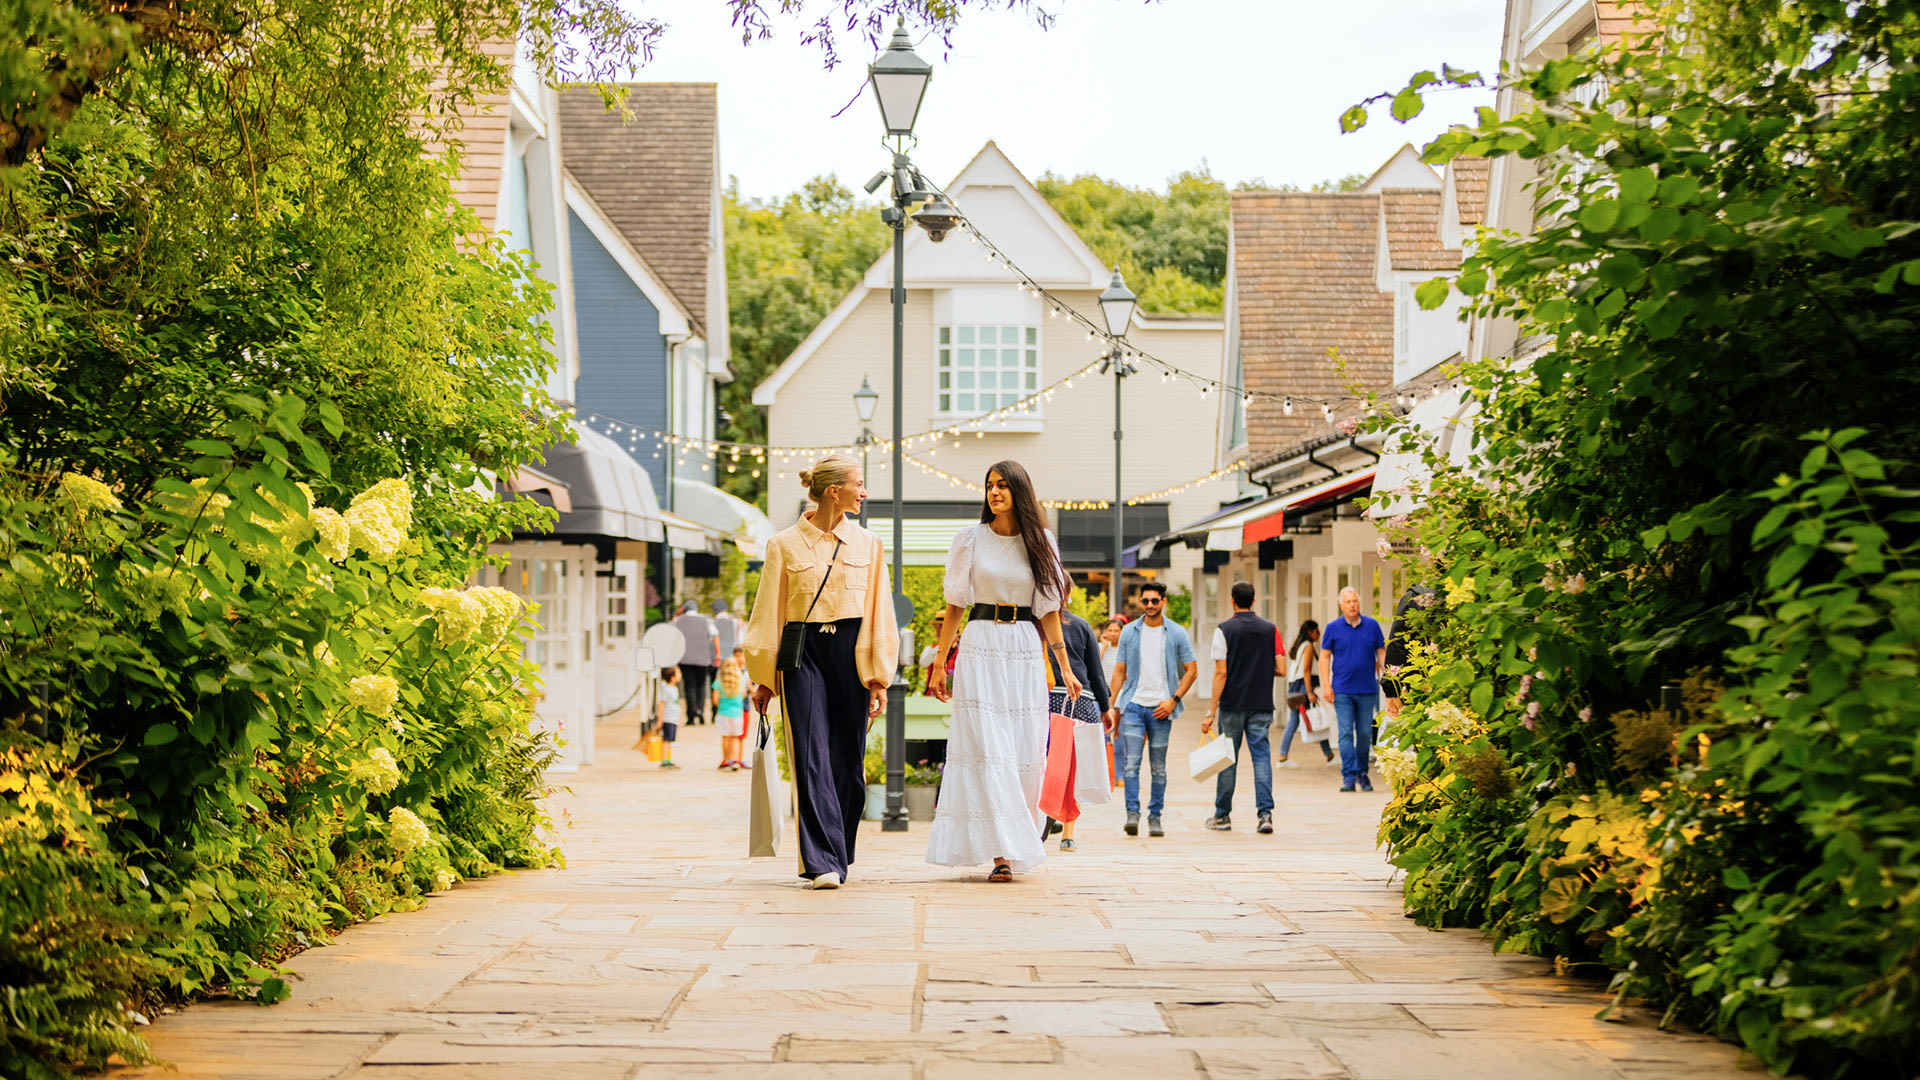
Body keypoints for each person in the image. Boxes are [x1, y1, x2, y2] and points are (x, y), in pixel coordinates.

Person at [744, 454, 899, 890]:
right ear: (835, 491)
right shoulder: (783, 544)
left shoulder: (869, 545)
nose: (864, 492)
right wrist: (764, 679)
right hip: (802, 653)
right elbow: (768, 614)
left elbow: (879, 613)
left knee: (847, 761)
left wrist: (878, 677)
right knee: (810, 755)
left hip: (852, 651)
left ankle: (837, 846)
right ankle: (821, 861)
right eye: (859, 484)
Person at [925, 460, 1082, 883]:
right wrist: (940, 664)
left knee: (1020, 749)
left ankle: (1015, 841)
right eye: (989, 486)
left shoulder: (1042, 542)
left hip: (1024, 650)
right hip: (979, 645)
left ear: (1019, 492)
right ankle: (1000, 854)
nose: (994, 493)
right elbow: (956, 603)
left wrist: (1065, 668)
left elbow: (1049, 610)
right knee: (987, 748)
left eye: (1002, 486)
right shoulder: (969, 540)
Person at [1108, 581, 1198, 838]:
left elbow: (1192, 670)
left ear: (1163, 602)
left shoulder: (1177, 633)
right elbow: (1120, 671)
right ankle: (1132, 815)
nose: (1149, 605)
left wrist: (1173, 699)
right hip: (1133, 706)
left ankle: (1155, 816)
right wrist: (1112, 705)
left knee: (1158, 768)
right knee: (1131, 765)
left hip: (1162, 709)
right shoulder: (1129, 632)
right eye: (1145, 601)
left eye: (1154, 601)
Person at [1202, 581, 1281, 834]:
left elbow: (1221, 673)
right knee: (1261, 759)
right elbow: (1280, 668)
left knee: (1227, 760)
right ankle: (1265, 815)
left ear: (1232, 600)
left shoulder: (1224, 629)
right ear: (1254, 600)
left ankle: (1222, 816)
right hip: (1261, 703)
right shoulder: (1271, 629)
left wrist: (1211, 711)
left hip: (1232, 704)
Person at [1046, 608, 1112, 853]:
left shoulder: (1034, 621)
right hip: (1080, 700)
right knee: (1074, 767)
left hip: (1046, 698)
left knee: (1046, 764)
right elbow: (1095, 671)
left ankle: (1048, 816)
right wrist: (1105, 708)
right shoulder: (1082, 625)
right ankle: (1068, 834)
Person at [1320, 586, 1388, 793]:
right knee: (1346, 733)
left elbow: (1381, 653)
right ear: (1341, 605)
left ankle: (1363, 774)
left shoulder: (1372, 625)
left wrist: (1390, 678)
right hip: (1342, 690)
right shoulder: (1333, 628)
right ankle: (1348, 776)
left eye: (1355, 601)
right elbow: (1324, 657)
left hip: (1367, 689)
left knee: (1365, 733)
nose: (1352, 605)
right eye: (1348, 602)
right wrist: (1326, 685)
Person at [1277, 620, 1335, 766]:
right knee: (1317, 717)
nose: (1319, 634)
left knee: (1304, 719)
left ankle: (1284, 756)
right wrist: (1309, 692)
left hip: (1295, 687)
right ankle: (1329, 756)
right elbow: (1306, 670)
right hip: (1303, 688)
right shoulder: (1308, 647)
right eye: (1317, 631)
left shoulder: (1300, 646)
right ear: (1310, 632)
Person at [674, 601, 719, 725]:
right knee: (701, 685)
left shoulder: (679, 620)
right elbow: (715, 635)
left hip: (685, 658)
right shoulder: (706, 620)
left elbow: (673, 636)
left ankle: (691, 716)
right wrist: (717, 654)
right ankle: (700, 711)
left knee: (689, 686)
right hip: (703, 659)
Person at [716, 645, 748, 770]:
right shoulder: (740, 680)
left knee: (725, 737)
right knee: (735, 737)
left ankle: (726, 760)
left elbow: (714, 699)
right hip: (737, 713)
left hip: (723, 713)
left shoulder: (719, 681)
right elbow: (744, 694)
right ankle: (735, 760)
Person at [710, 599, 743, 721]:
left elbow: (711, 640)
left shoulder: (712, 622)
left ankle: (716, 712)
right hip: (731, 659)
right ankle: (734, 710)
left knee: (716, 686)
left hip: (716, 659)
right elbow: (738, 640)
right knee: (733, 683)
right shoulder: (735, 622)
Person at [654, 665, 682, 770]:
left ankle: (668, 759)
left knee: (670, 740)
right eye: (678, 673)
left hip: (673, 719)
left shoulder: (674, 688)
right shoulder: (666, 689)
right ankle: (664, 760)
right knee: (666, 740)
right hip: (667, 719)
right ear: (672, 677)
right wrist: (660, 719)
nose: (680, 675)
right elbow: (661, 704)